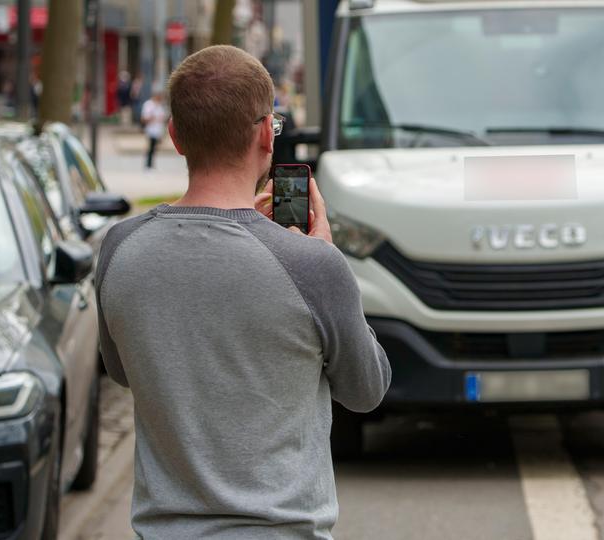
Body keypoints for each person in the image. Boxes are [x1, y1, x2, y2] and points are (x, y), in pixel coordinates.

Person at [95, 45, 391, 539]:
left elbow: (124, 371)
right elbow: (366, 391)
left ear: (174, 136)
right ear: (263, 134)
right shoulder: (311, 264)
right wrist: (326, 259)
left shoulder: (120, 248)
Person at [140, 88, 168, 169]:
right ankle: (148, 164)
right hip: (150, 130)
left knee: (154, 148)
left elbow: (162, 118)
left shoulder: (160, 105)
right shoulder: (148, 105)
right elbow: (144, 118)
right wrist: (153, 118)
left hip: (158, 130)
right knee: (151, 147)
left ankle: (151, 164)